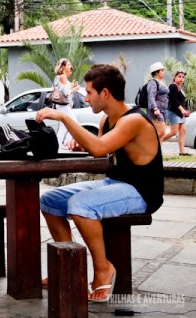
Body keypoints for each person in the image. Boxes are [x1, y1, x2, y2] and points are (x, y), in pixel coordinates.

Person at [36, 64, 164, 302]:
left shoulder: (133, 120)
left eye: (89, 93)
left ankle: (103, 268)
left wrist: (65, 116)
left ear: (105, 93)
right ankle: (70, 269)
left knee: (80, 205)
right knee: (50, 200)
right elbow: (102, 149)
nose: (86, 98)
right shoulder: (108, 119)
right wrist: (82, 144)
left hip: (142, 193)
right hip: (116, 183)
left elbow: (99, 147)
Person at [53, 58, 80, 147]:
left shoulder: (58, 77)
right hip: (63, 106)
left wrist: (71, 85)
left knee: (63, 126)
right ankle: (66, 143)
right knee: (74, 124)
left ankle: (58, 145)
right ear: (63, 66)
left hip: (60, 105)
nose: (70, 66)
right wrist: (75, 88)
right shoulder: (63, 77)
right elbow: (66, 93)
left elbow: (62, 89)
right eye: (68, 65)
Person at [163, 70, 191, 155]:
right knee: (173, 132)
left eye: (183, 77)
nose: (181, 78)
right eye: (179, 76)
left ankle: (182, 152)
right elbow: (174, 100)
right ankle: (156, 142)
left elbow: (181, 101)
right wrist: (182, 110)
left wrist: (185, 110)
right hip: (174, 112)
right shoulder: (173, 86)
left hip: (180, 113)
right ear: (175, 77)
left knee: (183, 131)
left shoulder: (179, 87)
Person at [146, 61, 169, 141]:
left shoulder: (161, 83)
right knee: (161, 132)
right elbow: (151, 96)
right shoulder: (153, 82)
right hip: (156, 111)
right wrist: (155, 109)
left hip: (164, 110)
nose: (164, 72)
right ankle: (147, 145)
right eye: (162, 71)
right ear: (156, 72)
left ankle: (158, 152)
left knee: (161, 135)